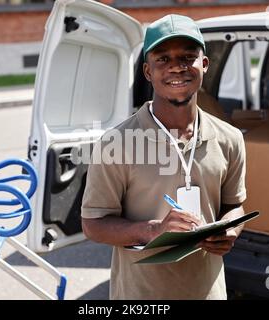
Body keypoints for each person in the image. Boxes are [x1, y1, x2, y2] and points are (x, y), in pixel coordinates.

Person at [81, 14, 246, 300]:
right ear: (147, 71)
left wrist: (230, 231)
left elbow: (236, 206)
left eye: (187, 57)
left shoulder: (230, 138)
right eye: (163, 59)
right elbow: (93, 224)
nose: (176, 67)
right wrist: (155, 230)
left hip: (209, 292)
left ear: (204, 65)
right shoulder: (116, 143)